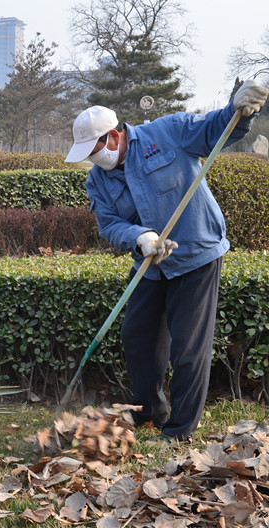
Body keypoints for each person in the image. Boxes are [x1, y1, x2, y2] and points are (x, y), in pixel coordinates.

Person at [65, 80, 269, 442]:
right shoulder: (98, 180)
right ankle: (149, 412)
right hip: (151, 264)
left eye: (92, 149)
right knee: (137, 335)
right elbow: (110, 224)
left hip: (195, 254)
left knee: (189, 347)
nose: (90, 159)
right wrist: (140, 237)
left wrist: (239, 110)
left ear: (113, 137)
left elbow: (215, 130)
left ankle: (180, 430)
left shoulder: (168, 131)